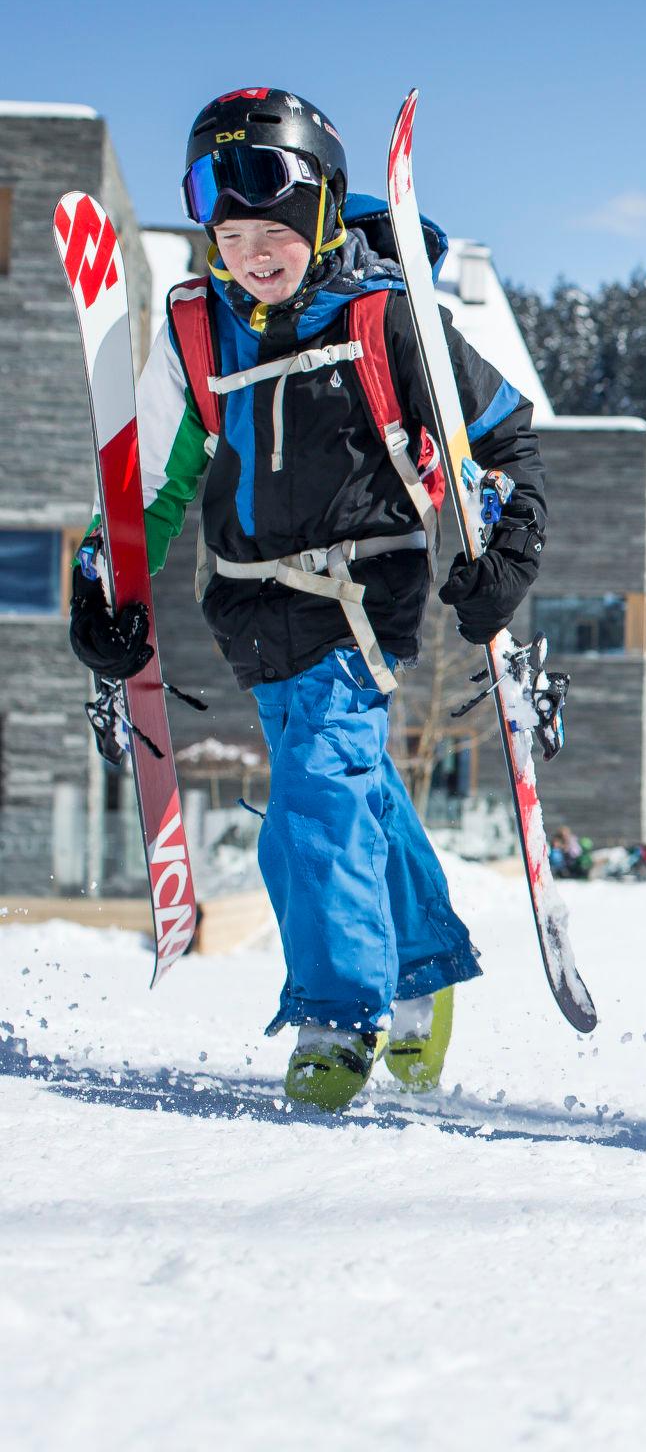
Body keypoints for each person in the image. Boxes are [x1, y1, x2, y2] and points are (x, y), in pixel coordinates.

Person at [66, 88, 546, 1112]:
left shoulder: (387, 319)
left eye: (273, 229)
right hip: (245, 611)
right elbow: (151, 483)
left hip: (360, 607)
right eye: (229, 234)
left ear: (325, 212)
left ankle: (337, 1016)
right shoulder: (196, 333)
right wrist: (109, 585)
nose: (252, 251)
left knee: (311, 801)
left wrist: (506, 542)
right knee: (353, 784)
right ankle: (423, 973)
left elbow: (505, 441)